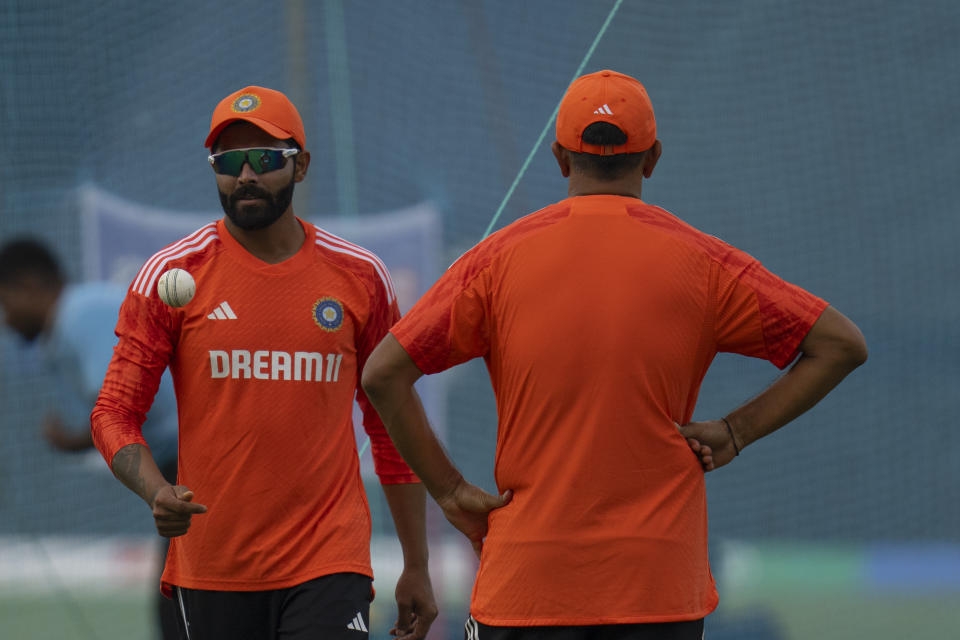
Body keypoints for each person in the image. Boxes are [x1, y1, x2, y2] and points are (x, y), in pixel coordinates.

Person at [361, 70, 868, 640]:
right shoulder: (705, 262)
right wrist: (737, 430)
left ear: (559, 156)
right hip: (659, 590)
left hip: (527, 586)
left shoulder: (496, 261)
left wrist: (451, 491)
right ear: (651, 158)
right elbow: (841, 345)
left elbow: (383, 374)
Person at [91, 86, 436, 640]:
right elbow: (112, 411)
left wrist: (417, 565)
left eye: (267, 159)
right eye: (228, 162)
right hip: (213, 568)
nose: (245, 175)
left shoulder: (361, 277)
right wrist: (155, 489)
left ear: (301, 168)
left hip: (330, 560)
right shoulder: (170, 275)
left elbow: (390, 426)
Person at [0, 237, 181, 640]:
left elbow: (129, 407)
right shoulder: (79, 318)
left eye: (4, 302)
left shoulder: (78, 316)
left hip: (195, 459)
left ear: (30, 286)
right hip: (181, 463)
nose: (6, 320)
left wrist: (75, 441)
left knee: (178, 607)